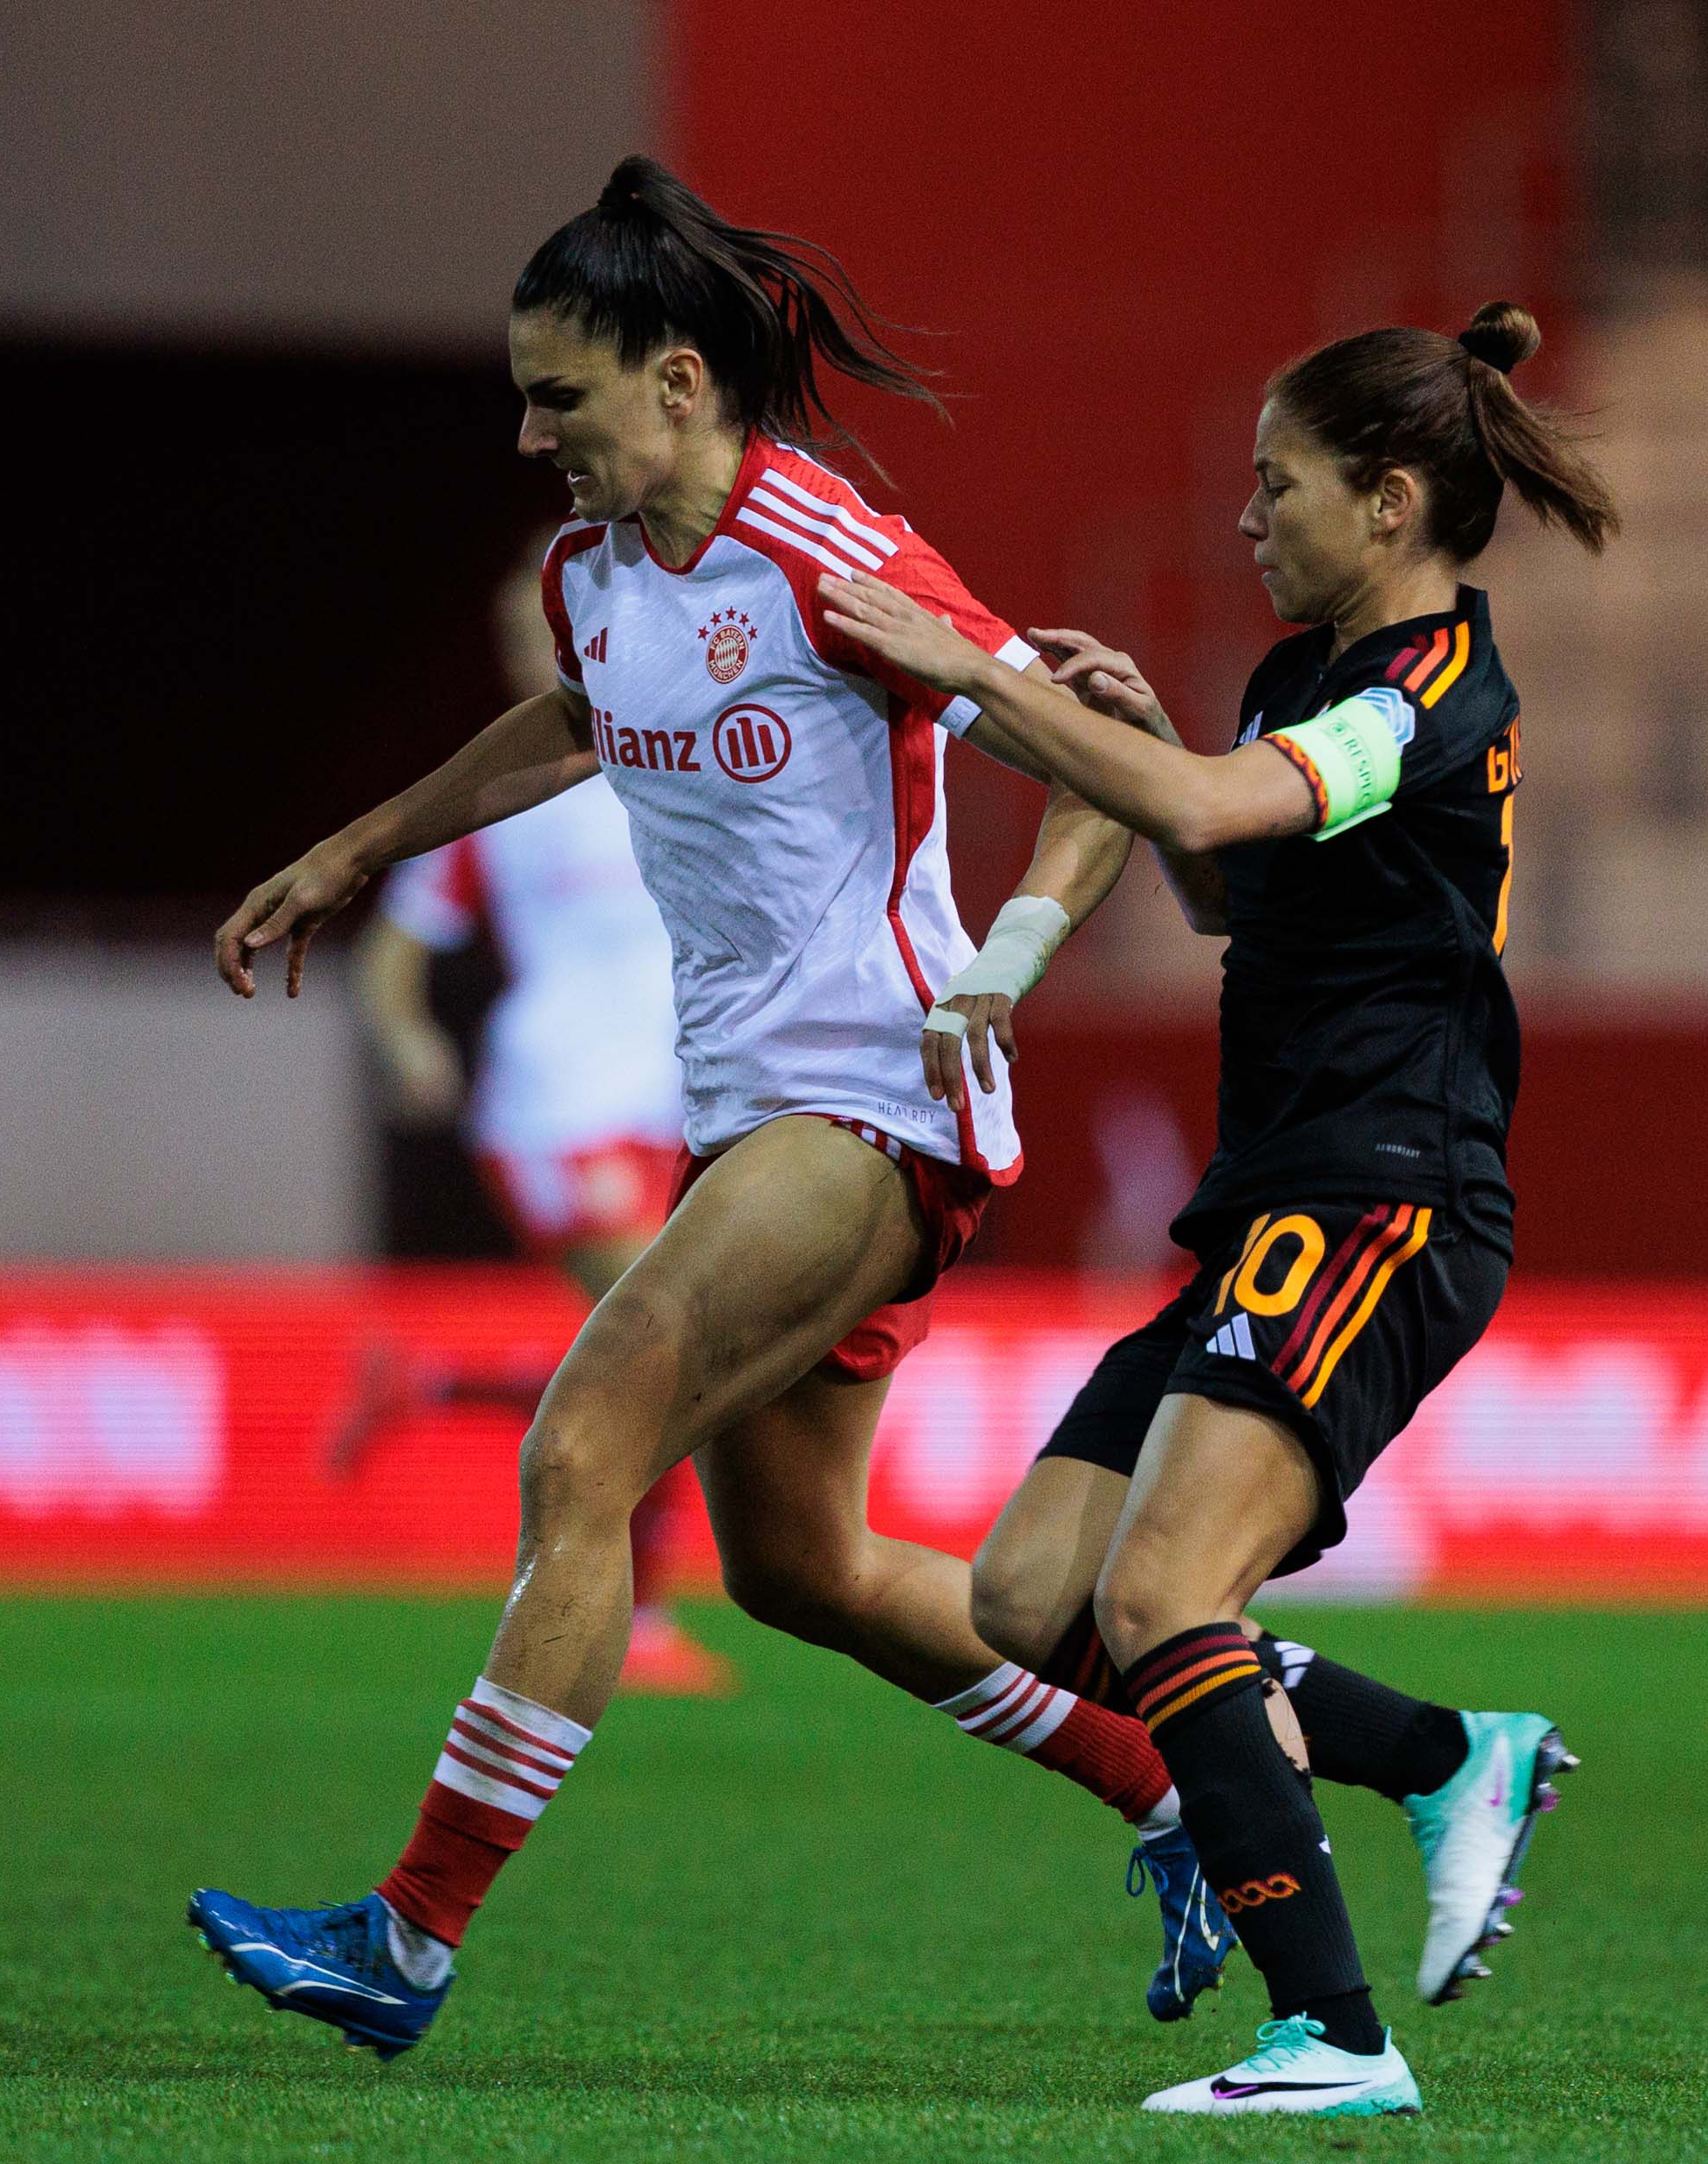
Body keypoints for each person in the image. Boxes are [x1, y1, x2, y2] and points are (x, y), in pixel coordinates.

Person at [190, 157, 1226, 2058]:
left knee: (584, 1449)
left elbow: (1101, 758)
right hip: (751, 1106)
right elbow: (575, 721)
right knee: (801, 1569)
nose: (529, 433)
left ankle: (405, 1937)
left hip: (877, 1100)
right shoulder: (597, 582)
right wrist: (352, 848)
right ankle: (1183, 1794)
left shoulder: (827, 552)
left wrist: (1002, 961)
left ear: (676, 381)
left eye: (557, 394)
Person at [817, 301, 1619, 2117]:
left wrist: (973, 671)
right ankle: (1437, 1748)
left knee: (1173, 1586)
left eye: (1279, 484)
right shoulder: (1301, 684)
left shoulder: (1424, 695)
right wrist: (1142, 739)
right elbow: (1220, 885)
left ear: (1392, 500)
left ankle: (1333, 2036)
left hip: (1379, 1192)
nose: (1247, 515)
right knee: (1038, 1591)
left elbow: (1192, 800)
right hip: (1276, 1191)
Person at [326, 537, 733, 1697]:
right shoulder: (504, 796)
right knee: (664, 1342)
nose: (541, 652)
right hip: (556, 1104)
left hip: (670, 1099)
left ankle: (433, 1384)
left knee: (664, 1350)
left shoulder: (684, 760)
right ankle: (639, 1621)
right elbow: (393, 956)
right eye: (521, 637)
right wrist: (405, 1036)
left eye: (553, 627)